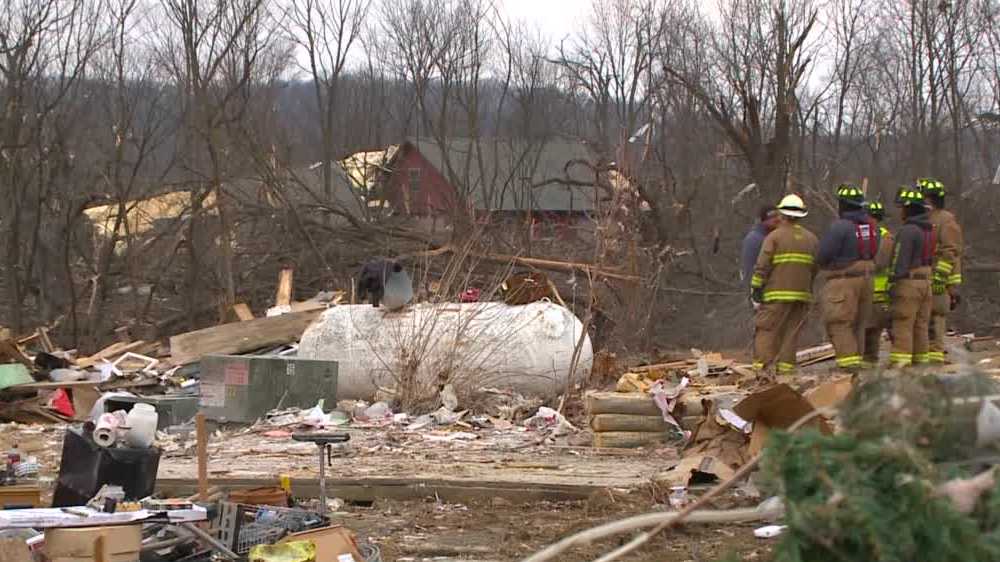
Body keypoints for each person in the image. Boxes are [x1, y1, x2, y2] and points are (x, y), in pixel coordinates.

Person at [750, 194, 819, 377]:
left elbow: (762, 266)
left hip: (776, 295)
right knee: (791, 335)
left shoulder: (774, 237)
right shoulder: (811, 239)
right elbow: (814, 268)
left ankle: (762, 373)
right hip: (802, 295)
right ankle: (786, 376)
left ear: (782, 214)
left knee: (766, 330)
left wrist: (756, 289)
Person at [817, 183, 879, 371]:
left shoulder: (840, 227)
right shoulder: (873, 227)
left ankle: (848, 367)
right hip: (868, 279)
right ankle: (857, 362)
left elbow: (823, 254)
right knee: (859, 324)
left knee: (839, 322)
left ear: (843, 205)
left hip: (844, 279)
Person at [919, 178, 964, 364]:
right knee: (925, 315)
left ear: (930, 199)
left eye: (923, 197)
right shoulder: (925, 220)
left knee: (937, 315)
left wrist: (940, 278)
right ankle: (927, 353)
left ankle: (936, 356)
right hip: (926, 275)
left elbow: (950, 251)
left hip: (940, 278)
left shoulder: (946, 221)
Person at [888, 188, 935, 367]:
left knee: (903, 323)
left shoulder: (908, 231)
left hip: (909, 283)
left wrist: (892, 281)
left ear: (909, 209)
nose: (901, 211)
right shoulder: (929, 230)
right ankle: (921, 364)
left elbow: (899, 259)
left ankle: (900, 365)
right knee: (921, 325)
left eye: (903, 208)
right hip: (926, 283)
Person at [862, 200, 894, 368]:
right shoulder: (885, 236)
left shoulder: (881, 237)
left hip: (876, 295)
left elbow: (880, 263)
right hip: (879, 295)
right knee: (872, 337)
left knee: (870, 337)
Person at [741, 206, 780, 295]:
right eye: (772, 217)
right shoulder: (755, 239)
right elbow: (750, 269)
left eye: (777, 216)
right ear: (764, 220)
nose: (777, 220)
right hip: (761, 291)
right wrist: (755, 291)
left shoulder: (774, 237)